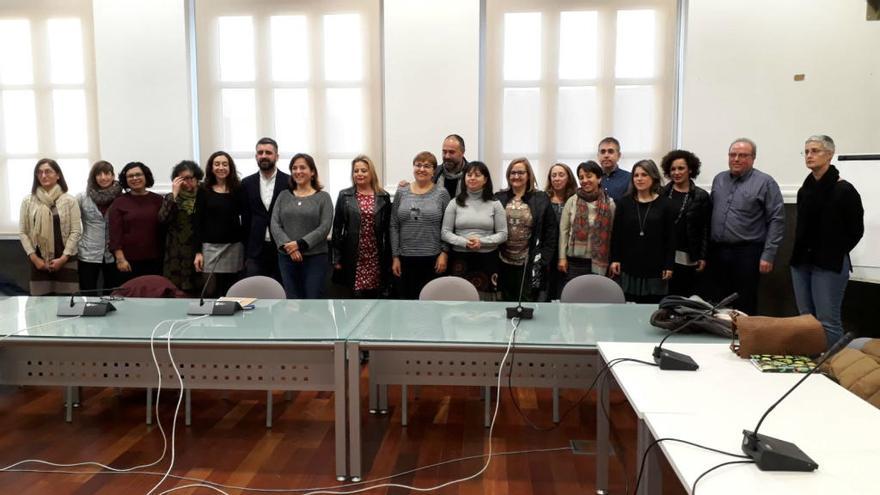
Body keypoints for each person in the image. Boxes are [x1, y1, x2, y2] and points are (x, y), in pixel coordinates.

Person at [790, 135, 864, 347]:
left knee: (828, 321)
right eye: (806, 152)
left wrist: (833, 250)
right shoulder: (804, 190)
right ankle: (811, 361)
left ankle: (829, 366)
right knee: (805, 319)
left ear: (830, 155)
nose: (809, 156)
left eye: (815, 151)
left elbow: (856, 230)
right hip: (801, 261)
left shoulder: (845, 190)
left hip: (829, 263)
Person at [708, 138, 784, 314]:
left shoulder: (766, 182)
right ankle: (720, 338)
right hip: (718, 251)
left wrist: (769, 254)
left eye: (742, 155)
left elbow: (776, 219)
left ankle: (744, 339)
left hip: (747, 253)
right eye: (732, 154)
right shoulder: (719, 179)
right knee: (718, 302)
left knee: (745, 301)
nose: (736, 159)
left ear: (753, 158)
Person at [609, 159, 675, 303]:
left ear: (653, 177)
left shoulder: (666, 204)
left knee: (652, 307)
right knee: (629, 305)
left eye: (644, 175)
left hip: (656, 266)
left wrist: (669, 265)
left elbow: (670, 238)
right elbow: (617, 235)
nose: (639, 179)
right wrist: (615, 259)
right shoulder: (624, 203)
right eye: (636, 175)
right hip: (629, 265)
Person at [441, 161, 507, 300]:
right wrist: (464, 242)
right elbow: (445, 232)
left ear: (485, 179)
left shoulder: (495, 203)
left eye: (477, 175)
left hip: (487, 259)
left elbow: (503, 234)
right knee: (460, 300)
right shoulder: (455, 202)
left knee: (487, 306)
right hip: (461, 260)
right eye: (469, 175)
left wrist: (481, 242)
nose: (472, 178)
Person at [494, 158, 557, 302]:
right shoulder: (499, 197)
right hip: (503, 262)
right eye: (513, 173)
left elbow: (551, 232)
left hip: (529, 263)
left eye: (521, 172)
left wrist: (544, 259)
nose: (516, 176)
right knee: (505, 304)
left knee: (527, 304)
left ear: (528, 175)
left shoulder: (540, 198)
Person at [270, 153, 333, 299]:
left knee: (313, 301)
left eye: (303, 167)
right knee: (293, 301)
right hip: (287, 258)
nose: (298, 171)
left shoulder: (323, 197)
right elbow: (274, 224)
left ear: (312, 172)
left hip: (315, 258)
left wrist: (300, 244)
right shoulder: (283, 195)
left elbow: (325, 226)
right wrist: (289, 247)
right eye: (294, 168)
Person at [391, 151, 451, 299]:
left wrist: (444, 253)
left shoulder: (442, 193)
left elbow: (448, 226)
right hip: (405, 258)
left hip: (433, 258)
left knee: (431, 304)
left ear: (433, 171)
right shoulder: (402, 192)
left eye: (427, 166)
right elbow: (394, 225)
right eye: (418, 165)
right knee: (407, 303)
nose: (422, 169)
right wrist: (395, 256)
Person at [19, 159, 82, 295]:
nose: (43, 175)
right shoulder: (28, 201)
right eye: (39, 173)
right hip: (39, 261)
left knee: (67, 305)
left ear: (58, 175)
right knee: (39, 307)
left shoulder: (69, 200)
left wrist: (64, 258)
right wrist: (35, 259)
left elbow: (76, 231)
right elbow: (23, 232)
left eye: (48, 171)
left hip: (66, 259)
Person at [332, 155, 392, 298]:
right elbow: (337, 228)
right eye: (356, 171)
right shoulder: (345, 195)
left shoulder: (383, 196)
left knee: (376, 298)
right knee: (355, 298)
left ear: (371, 173)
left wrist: (391, 257)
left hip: (376, 256)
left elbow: (389, 230)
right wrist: (336, 258)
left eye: (363, 170)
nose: (359, 174)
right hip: (353, 255)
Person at [193, 151, 245, 298]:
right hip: (209, 247)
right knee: (210, 292)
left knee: (231, 292)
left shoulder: (238, 189)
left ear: (230, 167)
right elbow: (197, 221)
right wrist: (198, 252)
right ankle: (211, 321)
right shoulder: (203, 190)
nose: (221, 167)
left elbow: (245, 217)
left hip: (233, 247)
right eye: (217, 164)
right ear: (211, 167)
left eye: (224, 164)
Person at [659, 150, 710, 297]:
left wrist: (703, 256)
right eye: (673, 169)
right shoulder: (662, 193)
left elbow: (706, 228)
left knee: (685, 296)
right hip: (665, 255)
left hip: (689, 255)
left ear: (690, 170)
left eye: (681, 168)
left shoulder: (700, 196)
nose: (676, 172)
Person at [558, 161, 616, 288]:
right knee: (574, 300)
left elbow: (613, 234)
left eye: (589, 176)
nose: (584, 180)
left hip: (599, 262)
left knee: (596, 300)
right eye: (581, 177)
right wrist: (562, 258)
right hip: (575, 262)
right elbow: (564, 232)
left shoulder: (609, 204)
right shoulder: (572, 201)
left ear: (599, 178)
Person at [241, 137, 290, 281]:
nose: (264, 156)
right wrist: (246, 251)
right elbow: (245, 219)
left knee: (282, 294)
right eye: (260, 152)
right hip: (255, 251)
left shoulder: (289, 181)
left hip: (282, 248)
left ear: (276, 156)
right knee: (256, 295)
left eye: (268, 152)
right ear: (256, 156)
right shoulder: (246, 183)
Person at [109, 162, 164, 282]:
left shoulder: (159, 200)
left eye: (138, 174)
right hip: (128, 262)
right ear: (125, 180)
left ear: (146, 176)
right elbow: (115, 234)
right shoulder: (119, 202)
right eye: (130, 176)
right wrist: (120, 259)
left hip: (156, 259)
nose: (135, 178)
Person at [77, 160, 122, 294]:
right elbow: (70, 223)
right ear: (93, 177)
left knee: (113, 292)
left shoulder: (121, 197)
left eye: (107, 173)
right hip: (88, 253)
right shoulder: (82, 197)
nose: (103, 178)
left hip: (113, 254)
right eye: (99, 174)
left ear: (113, 176)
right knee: (87, 292)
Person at [159, 160, 203, 294]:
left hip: (199, 249)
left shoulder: (204, 196)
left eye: (190, 178)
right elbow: (162, 219)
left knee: (202, 288)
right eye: (182, 179)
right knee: (178, 291)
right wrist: (174, 195)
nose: (187, 182)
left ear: (197, 178)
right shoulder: (171, 198)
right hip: (176, 253)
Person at [545, 163, 576, 299]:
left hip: (568, 253)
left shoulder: (576, 200)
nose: (557, 178)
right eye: (554, 175)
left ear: (568, 178)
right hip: (548, 253)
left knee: (565, 291)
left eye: (561, 175)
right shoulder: (543, 199)